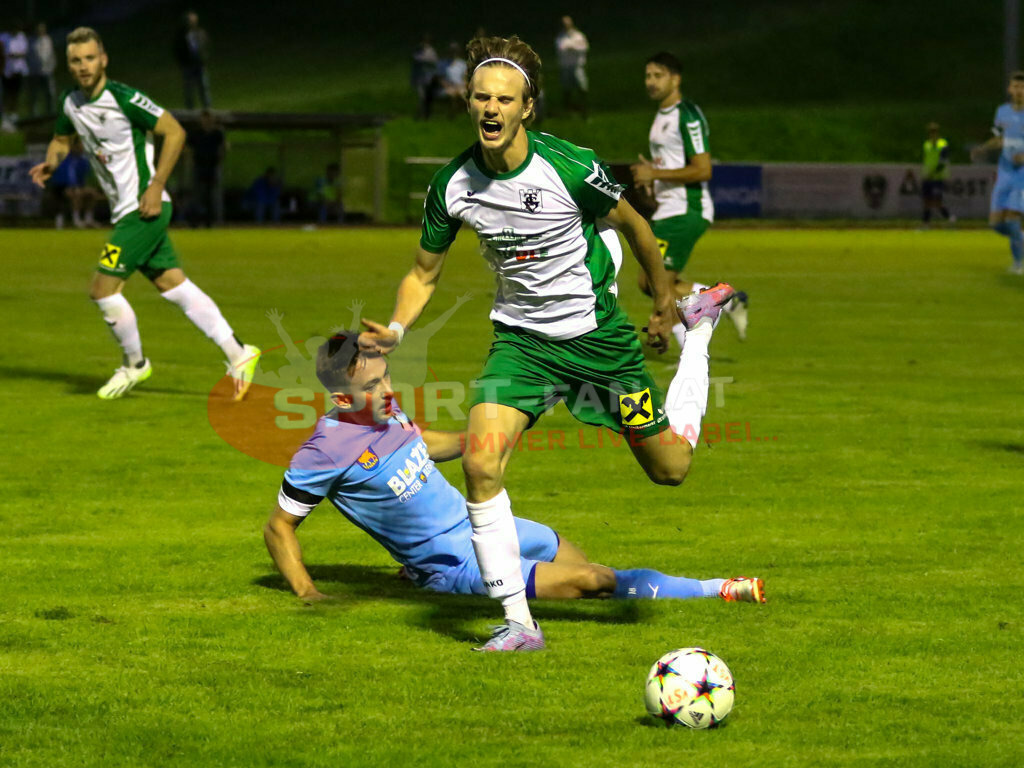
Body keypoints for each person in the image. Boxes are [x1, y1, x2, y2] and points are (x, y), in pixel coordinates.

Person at [360, 35, 739, 651]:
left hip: (602, 348)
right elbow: (422, 273)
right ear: (468, 102)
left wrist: (665, 305)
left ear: (527, 107)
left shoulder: (566, 166)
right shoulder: (452, 186)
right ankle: (519, 623)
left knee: (671, 468)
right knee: (482, 463)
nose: (490, 108)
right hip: (523, 347)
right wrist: (397, 330)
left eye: (503, 99)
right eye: (480, 96)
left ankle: (701, 333)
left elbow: (638, 229)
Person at [264, 334, 765, 630]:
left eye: (387, 376)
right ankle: (717, 588)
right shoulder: (323, 452)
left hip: (485, 524)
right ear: (344, 400)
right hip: (458, 562)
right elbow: (279, 527)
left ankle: (675, 588)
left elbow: (423, 445)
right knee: (593, 583)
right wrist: (308, 592)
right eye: (373, 386)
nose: (389, 390)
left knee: (585, 564)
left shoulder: (387, 414)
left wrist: (484, 438)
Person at [28, 27, 260, 400]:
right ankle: (239, 353)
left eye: (90, 58)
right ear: (68, 66)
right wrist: (51, 163)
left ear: (103, 60)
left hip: (144, 208)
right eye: (76, 60)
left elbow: (175, 131)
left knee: (103, 289)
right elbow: (60, 138)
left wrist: (155, 187)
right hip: (125, 213)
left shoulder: (123, 98)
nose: (84, 66)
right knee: (174, 285)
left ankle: (135, 364)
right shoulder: (71, 103)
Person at [631, 52, 748, 345]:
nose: (651, 82)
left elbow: (703, 169)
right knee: (649, 282)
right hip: (669, 209)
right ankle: (722, 300)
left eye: (658, 75)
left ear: (675, 79)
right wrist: (652, 181)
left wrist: (655, 174)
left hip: (686, 210)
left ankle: (683, 342)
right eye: (648, 76)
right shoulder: (661, 116)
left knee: (661, 284)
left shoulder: (688, 114)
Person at [971, 71, 1024, 275]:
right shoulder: (1001, 112)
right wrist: (983, 148)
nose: (1019, 91)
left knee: (1012, 219)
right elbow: (999, 137)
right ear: (1010, 89)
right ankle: (1020, 239)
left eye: (1022, 87)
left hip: (1022, 174)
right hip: (1005, 171)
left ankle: (1019, 264)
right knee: (996, 224)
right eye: (1016, 87)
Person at [185, 109, 225, 227]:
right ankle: (194, 222)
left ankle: (209, 222)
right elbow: (188, 148)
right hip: (199, 167)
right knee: (197, 195)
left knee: (210, 196)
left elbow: (223, 148)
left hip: (212, 167)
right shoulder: (196, 133)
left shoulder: (217, 133)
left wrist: (219, 160)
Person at [49, 136, 100, 229]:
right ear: (73, 146)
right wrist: (71, 187)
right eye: (80, 145)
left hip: (77, 187)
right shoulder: (64, 158)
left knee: (92, 193)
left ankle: (88, 219)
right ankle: (76, 219)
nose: (82, 147)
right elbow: (59, 176)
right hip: (61, 187)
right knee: (76, 194)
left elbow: (84, 177)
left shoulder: (83, 160)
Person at [173, 11, 210, 109]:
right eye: (190, 21)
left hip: (200, 65)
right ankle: (190, 111)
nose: (192, 23)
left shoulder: (200, 33)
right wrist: (182, 63)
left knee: (204, 88)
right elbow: (177, 50)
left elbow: (206, 46)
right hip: (188, 66)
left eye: (194, 21)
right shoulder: (180, 37)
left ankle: (207, 109)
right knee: (189, 89)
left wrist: (204, 59)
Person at [920, 122, 954, 228]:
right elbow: (926, 160)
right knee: (926, 201)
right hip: (927, 177)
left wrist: (933, 173)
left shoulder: (942, 144)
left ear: (937, 133)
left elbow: (943, 161)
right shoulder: (927, 144)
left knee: (937, 202)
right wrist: (925, 174)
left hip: (937, 177)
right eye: (930, 132)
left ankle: (950, 219)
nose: (932, 134)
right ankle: (926, 223)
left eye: (934, 131)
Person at [555, 15, 588, 118]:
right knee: (567, 89)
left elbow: (584, 47)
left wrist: (572, 48)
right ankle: (569, 111)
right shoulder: (561, 37)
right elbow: (560, 49)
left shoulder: (578, 36)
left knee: (582, 88)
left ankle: (584, 110)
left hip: (577, 66)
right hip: (566, 67)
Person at [1, 22, 29, 131]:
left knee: (15, 93)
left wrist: (14, 55)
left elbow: (23, 52)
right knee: (6, 93)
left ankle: (14, 114)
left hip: (18, 69)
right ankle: (5, 115)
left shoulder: (21, 37)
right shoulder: (4, 36)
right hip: (7, 70)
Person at [27, 22, 57, 117]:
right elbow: (28, 56)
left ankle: (50, 112)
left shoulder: (48, 40)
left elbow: (51, 54)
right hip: (34, 72)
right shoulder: (31, 41)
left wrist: (52, 66)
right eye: (39, 29)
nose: (40, 31)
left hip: (47, 71)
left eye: (42, 29)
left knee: (49, 92)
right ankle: (34, 113)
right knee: (35, 94)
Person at [410, 33, 438, 120]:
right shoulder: (417, 51)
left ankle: (426, 115)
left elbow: (434, 62)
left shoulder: (431, 51)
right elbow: (415, 61)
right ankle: (420, 114)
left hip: (429, 78)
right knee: (421, 97)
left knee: (428, 98)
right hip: (419, 78)